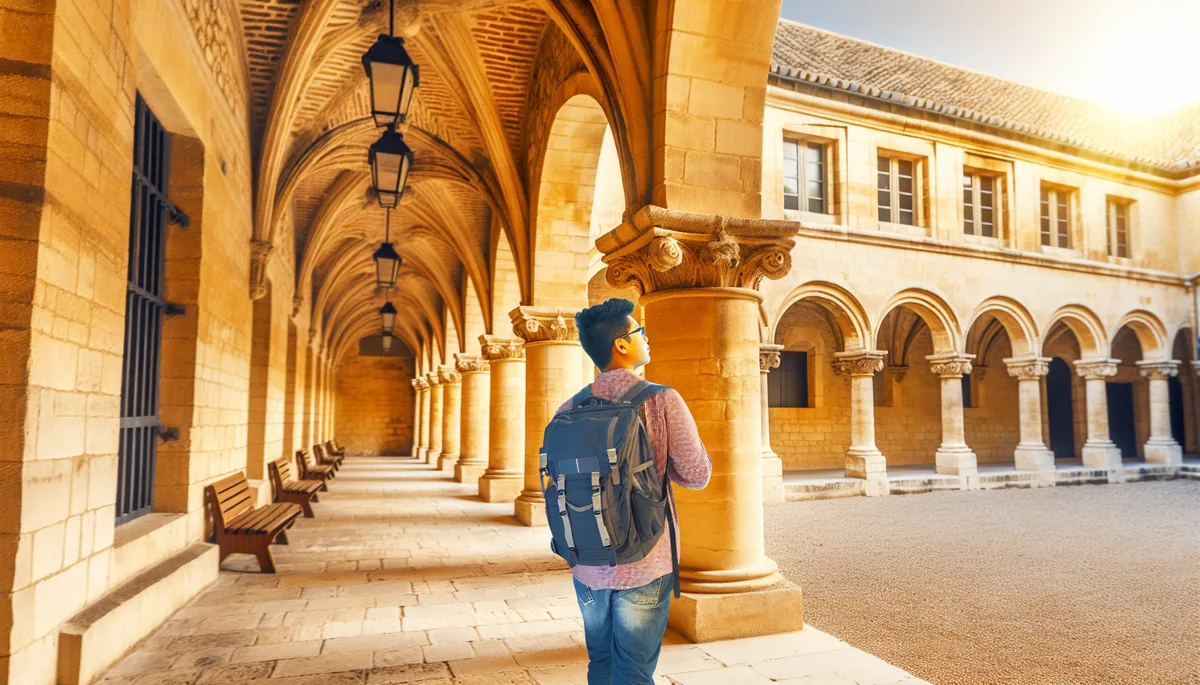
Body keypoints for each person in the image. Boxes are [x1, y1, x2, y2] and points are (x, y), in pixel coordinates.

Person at [557, 297, 712, 685]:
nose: (648, 338)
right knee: (635, 672)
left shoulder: (568, 407)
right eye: (640, 332)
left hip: (586, 559)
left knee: (601, 663)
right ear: (621, 345)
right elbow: (696, 475)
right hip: (644, 560)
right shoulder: (661, 399)